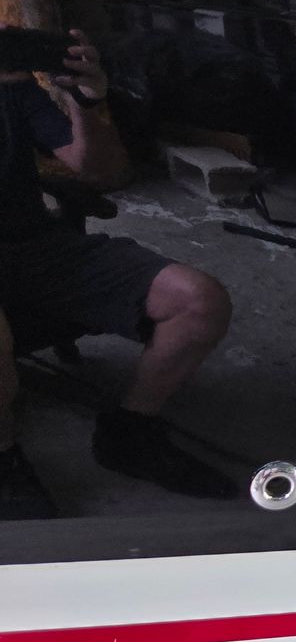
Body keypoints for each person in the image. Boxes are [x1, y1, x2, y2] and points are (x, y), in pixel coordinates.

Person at [0, 27, 234, 519]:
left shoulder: (13, 87)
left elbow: (101, 171)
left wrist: (86, 101)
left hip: (34, 249)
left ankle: (130, 432)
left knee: (198, 301)